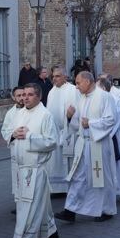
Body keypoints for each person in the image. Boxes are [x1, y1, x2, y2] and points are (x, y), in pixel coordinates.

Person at [55, 72, 119, 223]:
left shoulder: (104, 97)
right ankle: (70, 210)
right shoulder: (82, 99)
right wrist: (70, 117)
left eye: (78, 83)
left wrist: (90, 123)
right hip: (83, 143)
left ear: (88, 81)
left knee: (102, 177)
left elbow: (111, 120)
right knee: (77, 177)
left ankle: (106, 210)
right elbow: (78, 124)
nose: (76, 87)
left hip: (99, 143)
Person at [8, 83, 59, 238]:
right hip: (21, 168)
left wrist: (29, 136)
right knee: (38, 203)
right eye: (23, 95)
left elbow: (53, 142)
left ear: (39, 97)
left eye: (29, 95)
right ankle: (50, 232)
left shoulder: (45, 116)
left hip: (35, 169)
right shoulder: (20, 113)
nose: (25, 98)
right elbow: (10, 134)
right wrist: (14, 134)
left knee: (28, 208)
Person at [96, 77, 120, 200]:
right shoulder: (96, 101)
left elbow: (115, 121)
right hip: (100, 136)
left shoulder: (116, 101)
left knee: (118, 164)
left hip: (113, 136)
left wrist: (105, 135)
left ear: (103, 88)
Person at [46, 65, 78, 194]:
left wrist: (69, 118)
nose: (54, 79)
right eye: (53, 76)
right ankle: (57, 189)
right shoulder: (52, 91)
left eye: (57, 76)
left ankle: (69, 187)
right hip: (55, 131)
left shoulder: (72, 90)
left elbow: (77, 110)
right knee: (55, 162)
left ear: (65, 77)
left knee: (68, 160)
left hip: (68, 131)